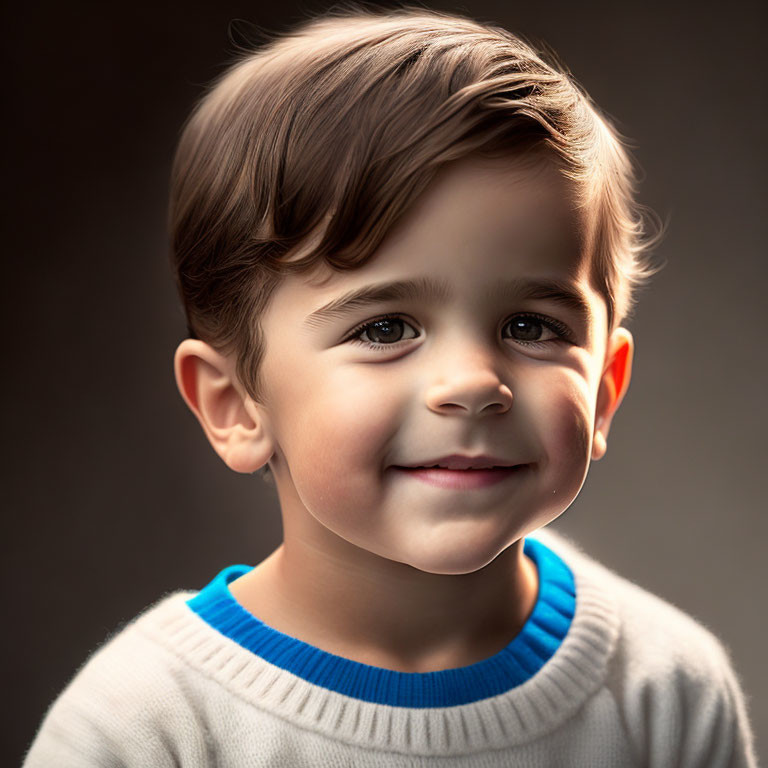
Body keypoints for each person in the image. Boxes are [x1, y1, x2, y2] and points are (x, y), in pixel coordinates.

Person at [23, 6, 759, 766]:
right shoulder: (145, 729)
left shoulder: (666, 693)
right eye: (384, 329)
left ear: (604, 389)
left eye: (531, 326)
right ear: (236, 405)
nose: (474, 384)